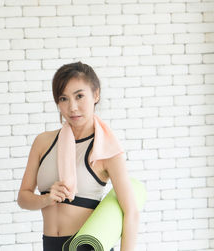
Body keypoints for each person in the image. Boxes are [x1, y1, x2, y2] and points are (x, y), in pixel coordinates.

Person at [17, 62, 139, 251]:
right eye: (64, 98)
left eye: (79, 96)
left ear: (95, 95)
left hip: (87, 246)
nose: (72, 107)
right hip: (50, 245)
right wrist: (47, 199)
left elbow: (131, 212)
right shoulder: (43, 142)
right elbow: (23, 198)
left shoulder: (107, 150)